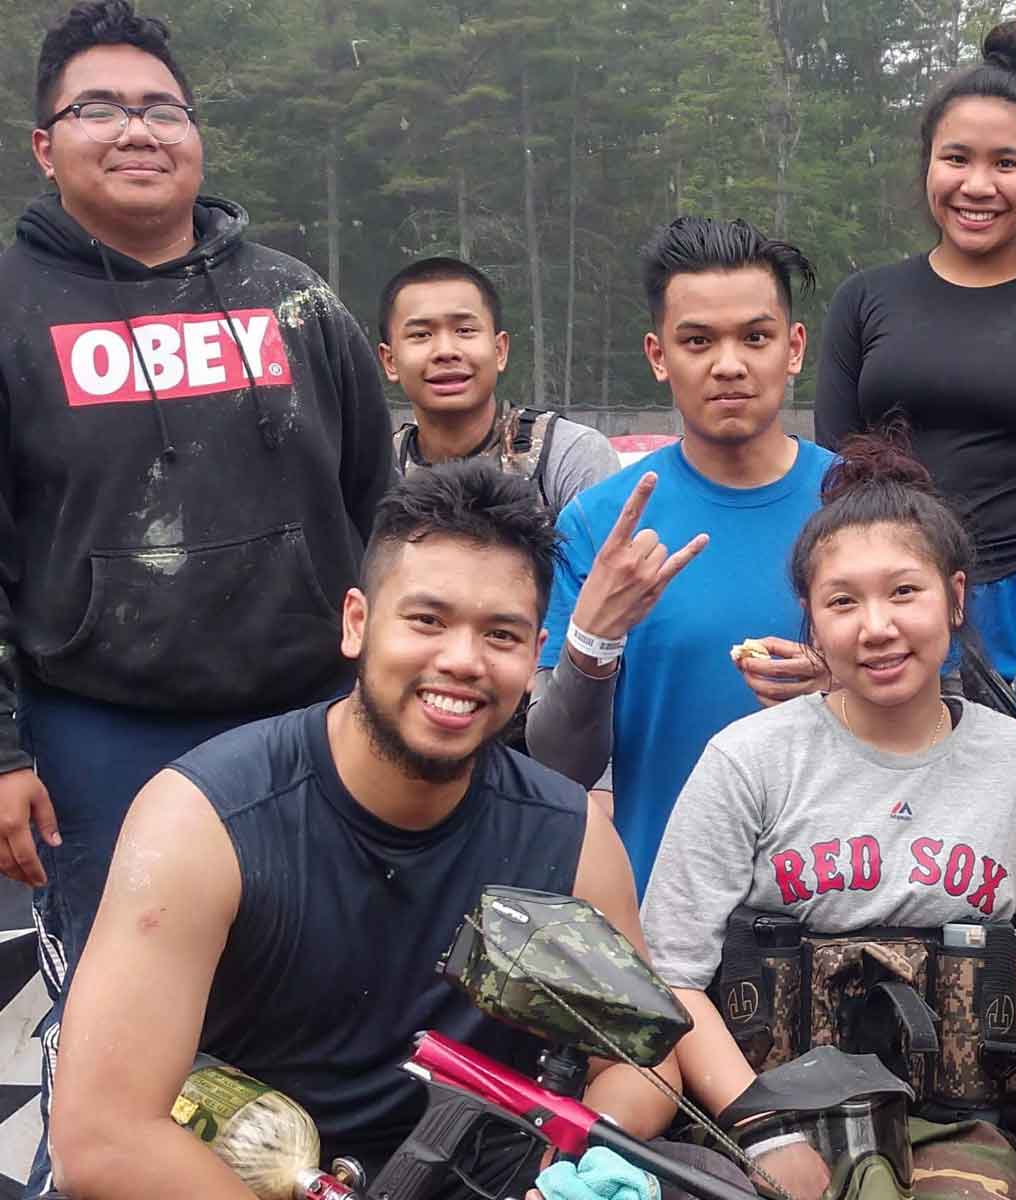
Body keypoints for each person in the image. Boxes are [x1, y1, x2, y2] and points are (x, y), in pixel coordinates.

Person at [42, 462, 744, 1200]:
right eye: (427, 620)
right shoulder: (205, 821)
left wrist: (562, 1170)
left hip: (480, 1176)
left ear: (535, 649)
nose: (462, 661)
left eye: (501, 635)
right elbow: (103, 1138)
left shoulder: (568, 837)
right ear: (357, 622)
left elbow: (638, 1063)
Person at [0, 1, 391, 1177]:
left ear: (198, 134)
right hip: (100, 737)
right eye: (99, 108)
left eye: (162, 107)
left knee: (322, 993)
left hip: (305, 724)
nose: (137, 130)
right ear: (44, 144)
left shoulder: (300, 302)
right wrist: (4, 749)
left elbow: (380, 510)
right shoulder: (12, 311)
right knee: (133, 1035)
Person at [642, 429, 1016, 1199]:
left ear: (957, 597)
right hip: (767, 1116)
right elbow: (671, 978)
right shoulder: (747, 760)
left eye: (905, 591)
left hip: (958, 1125)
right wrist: (762, 1130)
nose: (876, 627)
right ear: (810, 617)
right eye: (843, 601)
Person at [815, 18, 1016, 701]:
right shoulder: (864, 301)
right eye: (957, 158)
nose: (978, 185)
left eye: (1007, 163)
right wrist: (835, 613)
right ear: (928, 162)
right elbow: (834, 476)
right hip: (888, 595)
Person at [528, 217, 832, 893]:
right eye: (698, 341)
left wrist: (849, 682)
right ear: (659, 354)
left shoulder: (866, 506)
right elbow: (559, 765)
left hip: (842, 905)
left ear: (794, 347)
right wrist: (593, 639)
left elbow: (944, 708)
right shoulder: (601, 525)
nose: (729, 364)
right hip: (662, 902)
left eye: (756, 337)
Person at [381, 256, 621, 513]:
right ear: (390, 361)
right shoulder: (376, 471)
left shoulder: (569, 456)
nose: (445, 351)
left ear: (500, 351)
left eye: (464, 330)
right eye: (421, 335)